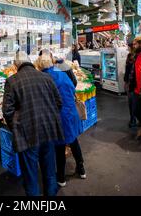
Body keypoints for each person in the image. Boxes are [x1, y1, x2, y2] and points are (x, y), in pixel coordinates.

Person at [2, 51, 64, 196]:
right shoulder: (46, 77)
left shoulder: (12, 81)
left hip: (27, 135)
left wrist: (15, 128)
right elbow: (59, 103)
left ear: (16, 65)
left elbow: (7, 111)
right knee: (49, 172)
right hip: (48, 131)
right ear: (30, 61)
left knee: (30, 176)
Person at [35, 51, 85, 187]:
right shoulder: (62, 73)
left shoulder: (45, 77)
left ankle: (61, 178)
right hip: (71, 112)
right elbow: (72, 88)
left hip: (59, 116)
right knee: (73, 140)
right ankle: (81, 169)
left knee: (60, 146)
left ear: (39, 65)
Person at [124, 43, 137, 128]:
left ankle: (134, 119)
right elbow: (127, 69)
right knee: (132, 102)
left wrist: (126, 81)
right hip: (131, 81)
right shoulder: (130, 56)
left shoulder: (137, 56)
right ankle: (133, 118)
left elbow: (128, 69)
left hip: (134, 82)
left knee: (133, 102)